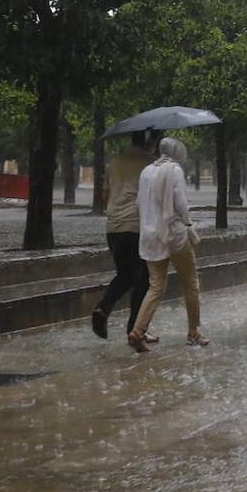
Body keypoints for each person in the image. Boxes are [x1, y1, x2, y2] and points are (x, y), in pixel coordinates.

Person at [128, 136, 208, 352]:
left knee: (155, 286)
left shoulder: (146, 171)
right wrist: (189, 223)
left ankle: (138, 330)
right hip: (174, 236)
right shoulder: (174, 170)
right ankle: (193, 333)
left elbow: (138, 203)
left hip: (150, 236)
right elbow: (180, 204)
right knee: (191, 284)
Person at [90, 131, 154, 340]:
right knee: (144, 279)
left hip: (113, 227)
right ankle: (135, 329)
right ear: (149, 141)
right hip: (136, 227)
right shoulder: (151, 163)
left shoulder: (114, 161)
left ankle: (104, 307)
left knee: (126, 275)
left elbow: (104, 194)